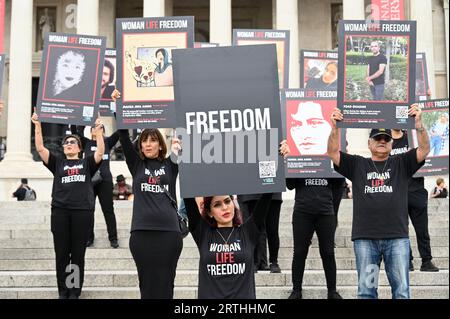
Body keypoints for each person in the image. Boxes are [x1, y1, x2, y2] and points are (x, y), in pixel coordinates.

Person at [327, 104, 430, 299]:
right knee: (367, 292)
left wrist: (419, 125)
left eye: (386, 139)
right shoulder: (358, 164)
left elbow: (424, 149)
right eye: (377, 138)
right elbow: (333, 153)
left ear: (392, 144)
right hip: (366, 240)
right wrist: (334, 129)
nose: (382, 141)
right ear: (369, 143)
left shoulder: (401, 163)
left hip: (397, 239)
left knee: (401, 292)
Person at [182, 142, 290, 299]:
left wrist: (280, 159)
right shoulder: (202, 232)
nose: (225, 207)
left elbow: (268, 192)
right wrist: (184, 157)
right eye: (217, 205)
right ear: (210, 213)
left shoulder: (248, 231)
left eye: (227, 201)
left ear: (233, 203)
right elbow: (188, 192)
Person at [112, 89, 183, 299]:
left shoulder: (171, 163)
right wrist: (118, 107)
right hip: (142, 233)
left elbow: (185, 136)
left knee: (167, 282)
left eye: (152, 140)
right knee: (147, 283)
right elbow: (123, 136)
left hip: (169, 233)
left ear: (160, 144)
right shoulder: (136, 165)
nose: (148, 144)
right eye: (144, 141)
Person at [31, 110, 104, 299]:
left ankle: (74, 290)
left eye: (72, 142)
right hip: (61, 212)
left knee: (77, 254)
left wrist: (98, 131)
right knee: (62, 253)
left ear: (80, 148)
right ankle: (63, 291)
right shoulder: (57, 163)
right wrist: (38, 125)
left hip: (82, 212)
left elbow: (101, 152)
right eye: (66, 142)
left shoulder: (87, 163)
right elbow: (40, 149)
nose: (68, 144)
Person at [286, 177, 343, 300]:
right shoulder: (298, 157)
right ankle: (296, 290)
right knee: (299, 252)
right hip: (302, 211)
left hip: (326, 212)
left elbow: (339, 184)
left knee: (328, 252)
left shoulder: (329, 158)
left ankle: (332, 291)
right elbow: (290, 185)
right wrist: (288, 164)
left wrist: (336, 165)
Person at [391, 129, 439, 272]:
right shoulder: (386, 140)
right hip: (397, 192)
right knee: (402, 230)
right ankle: (407, 261)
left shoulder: (411, 138)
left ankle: (427, 261)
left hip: (417, 190)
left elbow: (425, 148)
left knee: (422, 230)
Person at [71, 123, 120, 249]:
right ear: (91, 130)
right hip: (89, 181)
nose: (97, 129)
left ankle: (113, 239)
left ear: (103, 131)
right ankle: (89, 238)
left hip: (105, 181)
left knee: (108, 210)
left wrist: (117, 113)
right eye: (94, 127)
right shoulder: (86, 143)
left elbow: (121, 131)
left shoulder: (108, 142)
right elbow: (75, 132)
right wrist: (84, 117)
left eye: (100, 127)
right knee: (88, 211)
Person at [238, 193, 283, 273]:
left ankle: (274, 262)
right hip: (252, 192)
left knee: (273, 228)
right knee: (254, 227)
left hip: (273, 191)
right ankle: (254, 261)